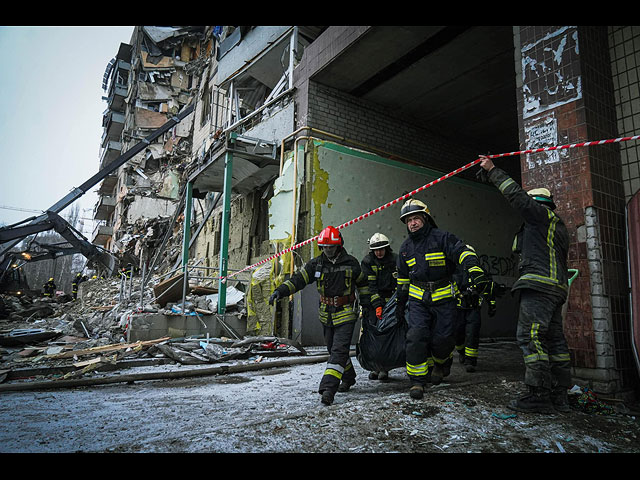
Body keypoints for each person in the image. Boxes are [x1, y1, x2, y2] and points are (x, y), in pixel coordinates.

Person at [478, 155, 571, 414]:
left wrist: (492, 170)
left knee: (530, 337)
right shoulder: (556, 228)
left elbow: (517, 197)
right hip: (555, 289)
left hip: (539, 287)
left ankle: (538, 395)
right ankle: (559, 394)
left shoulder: (541, 217)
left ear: (537, 204)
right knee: (554, 340)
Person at [396, 199, 494, 399]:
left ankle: (441, 364)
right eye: (408, 220)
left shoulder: (442, 238)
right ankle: (417, 381)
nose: (412, 223)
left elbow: (462, 252)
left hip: (444, 299)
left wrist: (473, 268)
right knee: (415, 336)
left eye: (416, 218)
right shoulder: (405, 248)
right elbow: (403, 280)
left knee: (443, 339)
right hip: (417, 299)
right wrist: (399, 303)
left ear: (426, 218)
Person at [269, 225, 371, 406]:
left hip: (346, 314)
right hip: (326, 315)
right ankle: (349, 377)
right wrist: (280, 291)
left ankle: (328, 389)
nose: (327, 250)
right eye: (324, 247)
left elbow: (363, 286)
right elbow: (299, 279)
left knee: (339, 351)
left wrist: (369, 307)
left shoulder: (351, 263)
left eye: (330, 247)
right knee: (334, 350)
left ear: (339, 245)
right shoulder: (316, 264)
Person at [360, 232, 398, 381]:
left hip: (393, 303)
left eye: (381, 249)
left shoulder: (395, 260)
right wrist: (377, 305)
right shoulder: (368, 262)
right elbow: (370, 286)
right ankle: (375, 367)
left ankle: (385, 368)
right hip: (374, 305)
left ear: (387, 248)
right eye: (376, 250)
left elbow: (400, 283)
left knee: (389, 338)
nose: (379, 252)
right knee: (373, 336)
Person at [453, 245, 497, 373]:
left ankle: (470, 361)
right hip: (459, 308)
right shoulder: (455, 270)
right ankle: (461, 352)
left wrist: (492, 304)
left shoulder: (481, 271)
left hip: (474, 308)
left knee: (472, 334)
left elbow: (488, 289)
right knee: (458, 333)